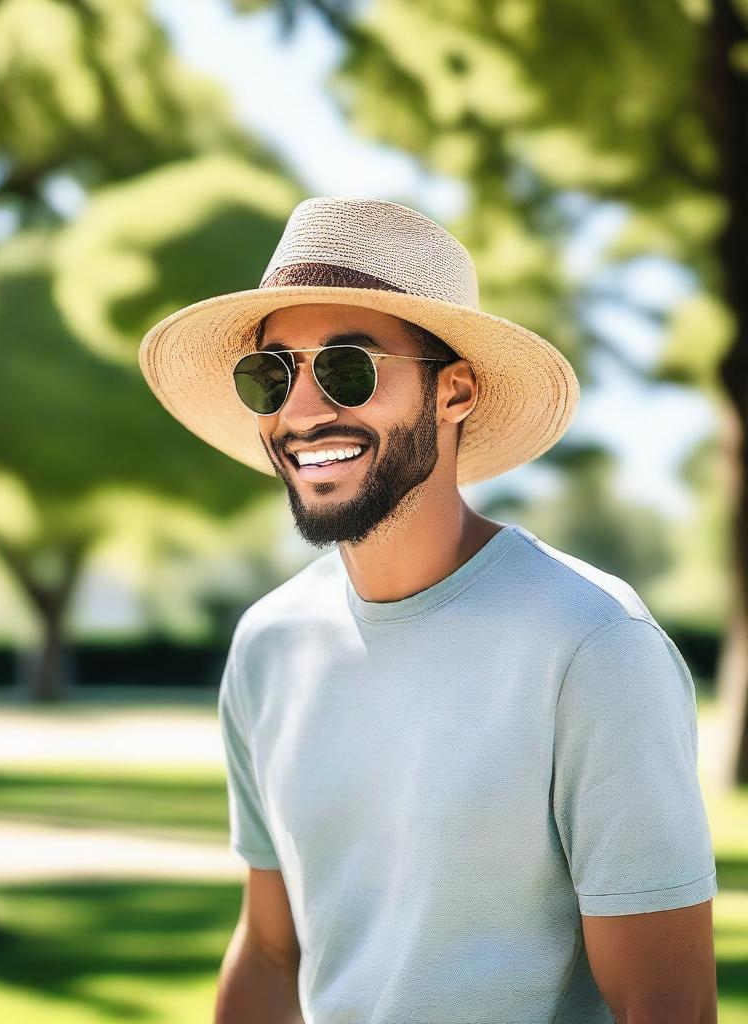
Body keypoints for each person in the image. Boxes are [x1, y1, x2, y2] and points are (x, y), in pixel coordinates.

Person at [138, 197, 718, 1023]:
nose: (300, 412)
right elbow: (272, 952)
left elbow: (671, 1010)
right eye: (271, 375)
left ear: (456, 392)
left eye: (348, 368)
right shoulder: (269, 645)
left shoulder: (591, 645)